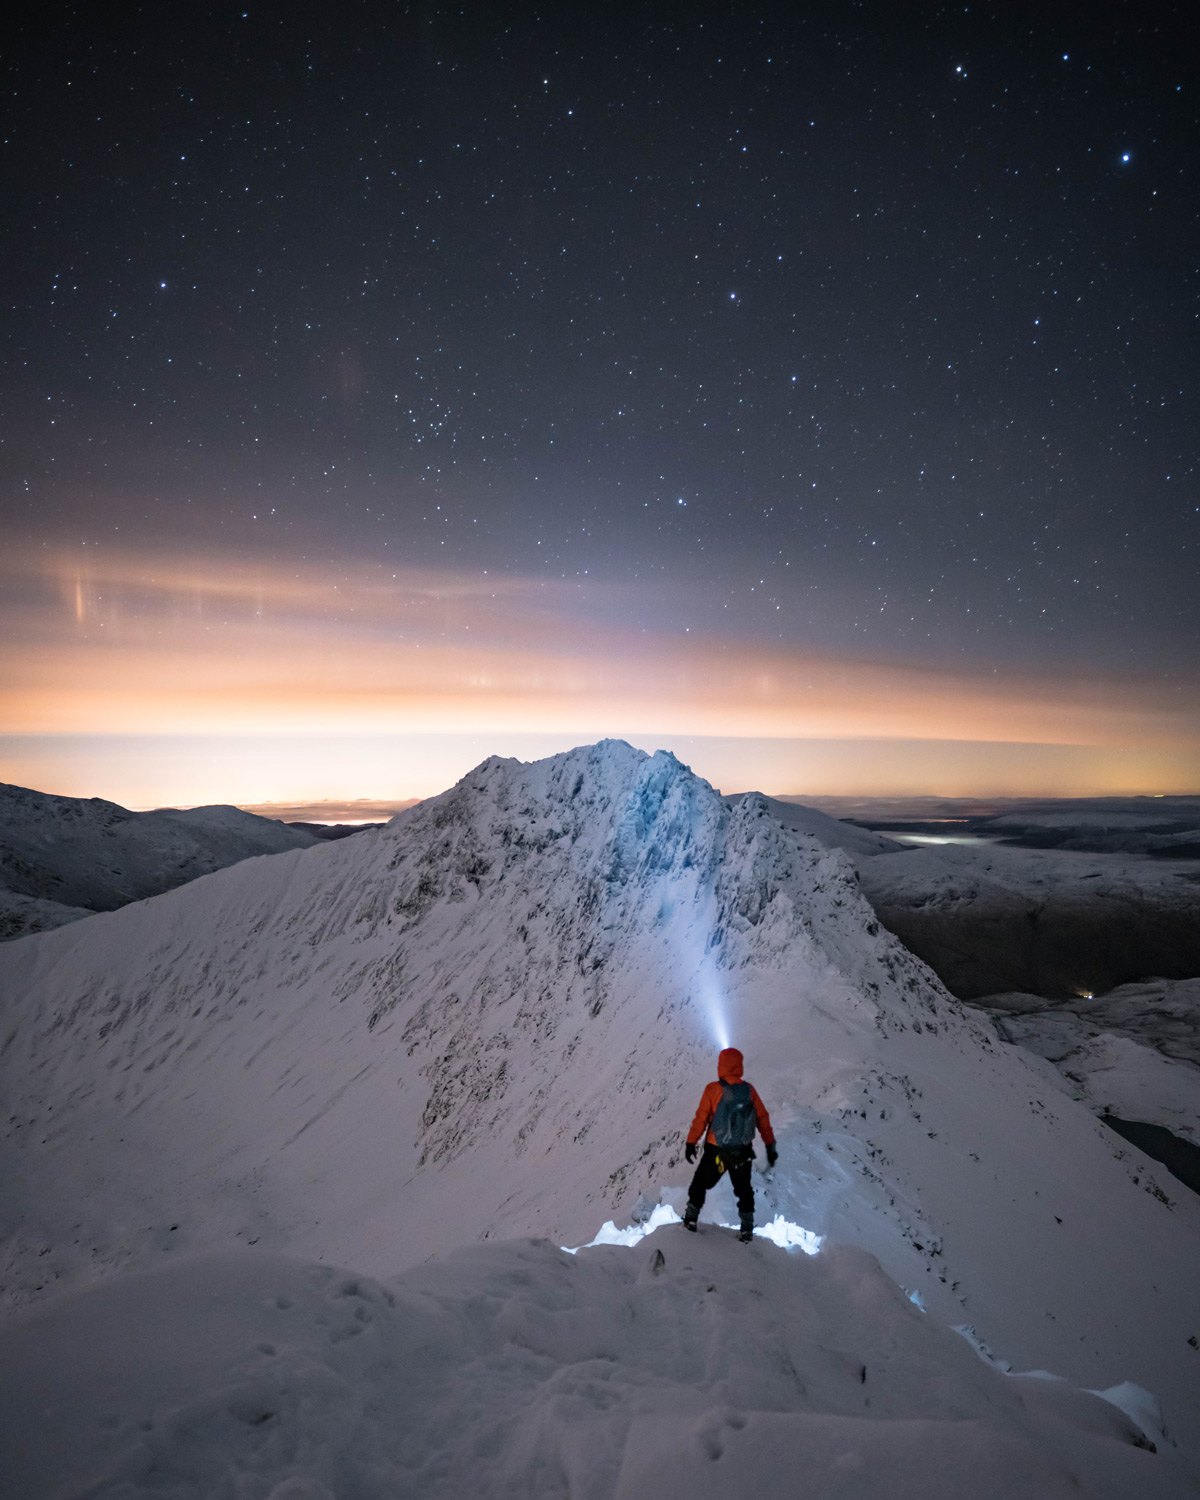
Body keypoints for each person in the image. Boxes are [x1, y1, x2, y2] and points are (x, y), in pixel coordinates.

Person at [683, 1047, 777, 1242]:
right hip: (742, 1152)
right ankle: (747, 1229)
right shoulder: (749, 1090)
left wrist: (691, 1142)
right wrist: (770, 1145)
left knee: (700, 1183)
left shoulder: (713, 1089)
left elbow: (701, 1118)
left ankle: (691, 1219)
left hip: (717, 1150)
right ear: (739, 1066)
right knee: (744, 1189)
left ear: (721, 1066)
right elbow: (762, 1118)